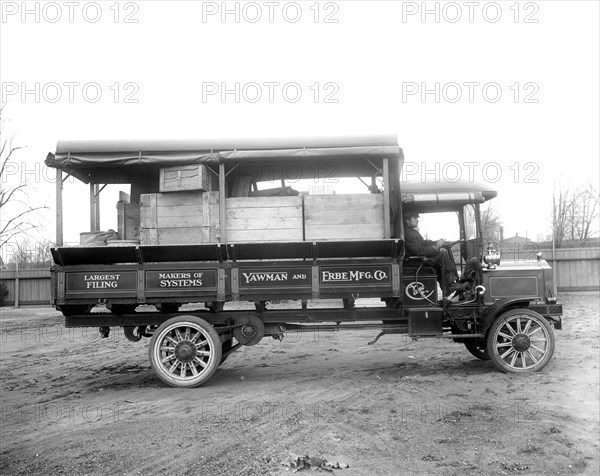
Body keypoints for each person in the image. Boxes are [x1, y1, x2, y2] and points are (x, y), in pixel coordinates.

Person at [403, 212, 467, 295]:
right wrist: (436, 247)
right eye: (414, 218)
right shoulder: (408, 234)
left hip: (418, 259)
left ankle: (447, 287)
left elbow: (422, 243)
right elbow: (419, 251)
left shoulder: (411, 231)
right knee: (442, 252)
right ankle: (449, 285)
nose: (417, 220)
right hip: (416, 261)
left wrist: (435, 242)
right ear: (407, 220)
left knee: (441, 257)